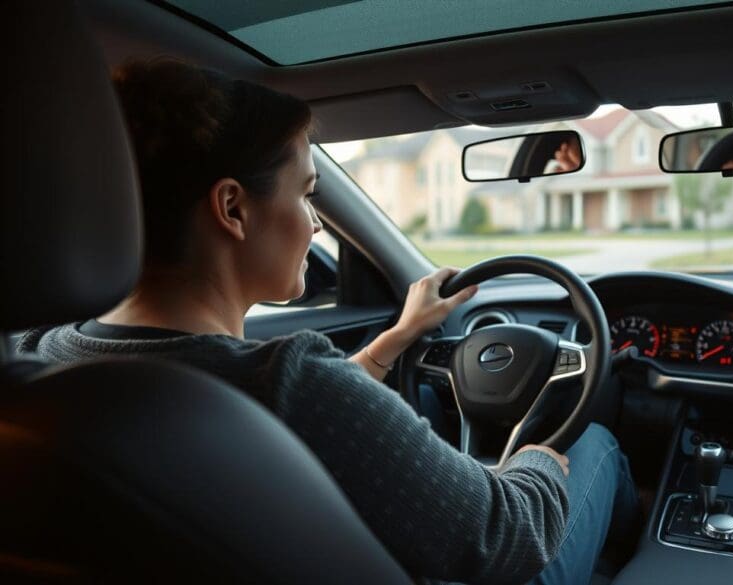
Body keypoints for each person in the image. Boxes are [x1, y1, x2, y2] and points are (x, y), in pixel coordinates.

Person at [16, 58, 639, 585]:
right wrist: (533, 460)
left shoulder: (44, 361)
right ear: (232, 208)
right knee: (591, 447)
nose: (316, 223)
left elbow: (293, 422)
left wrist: (394, 339)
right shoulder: (289, 383)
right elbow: (506, 533)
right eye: (307, 193)